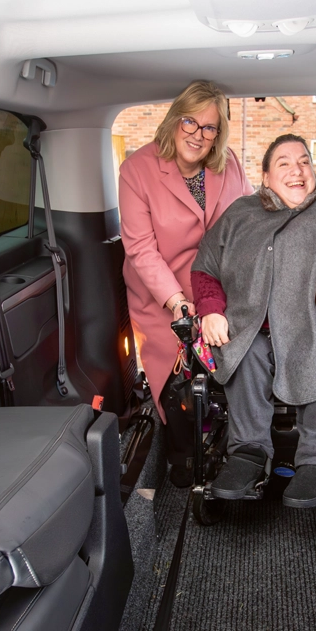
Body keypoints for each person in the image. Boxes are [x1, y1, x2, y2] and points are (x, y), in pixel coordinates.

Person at [191, 134, 316, 508]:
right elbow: (206, 267)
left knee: (314, 347)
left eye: (304, 162)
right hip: (253, 327)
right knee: (243, 352)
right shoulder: (240, 214)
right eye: (284, 163)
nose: (297, 170)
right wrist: (211, 309)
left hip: (314, 323)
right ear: (265, 177)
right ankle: (248, 450)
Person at [119, 80, 253, 488]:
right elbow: (141, 249)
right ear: (174, 120)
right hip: (163, 294)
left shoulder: (228, 163)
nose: (198, 134)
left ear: (219, 133)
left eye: (210, 127)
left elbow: (250, 220)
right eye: (190, 122)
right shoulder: (137, 169)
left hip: (220, 290)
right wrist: (177, 302)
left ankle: (238, 450)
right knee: (175, 385)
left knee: (239, 369)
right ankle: (184, 456)